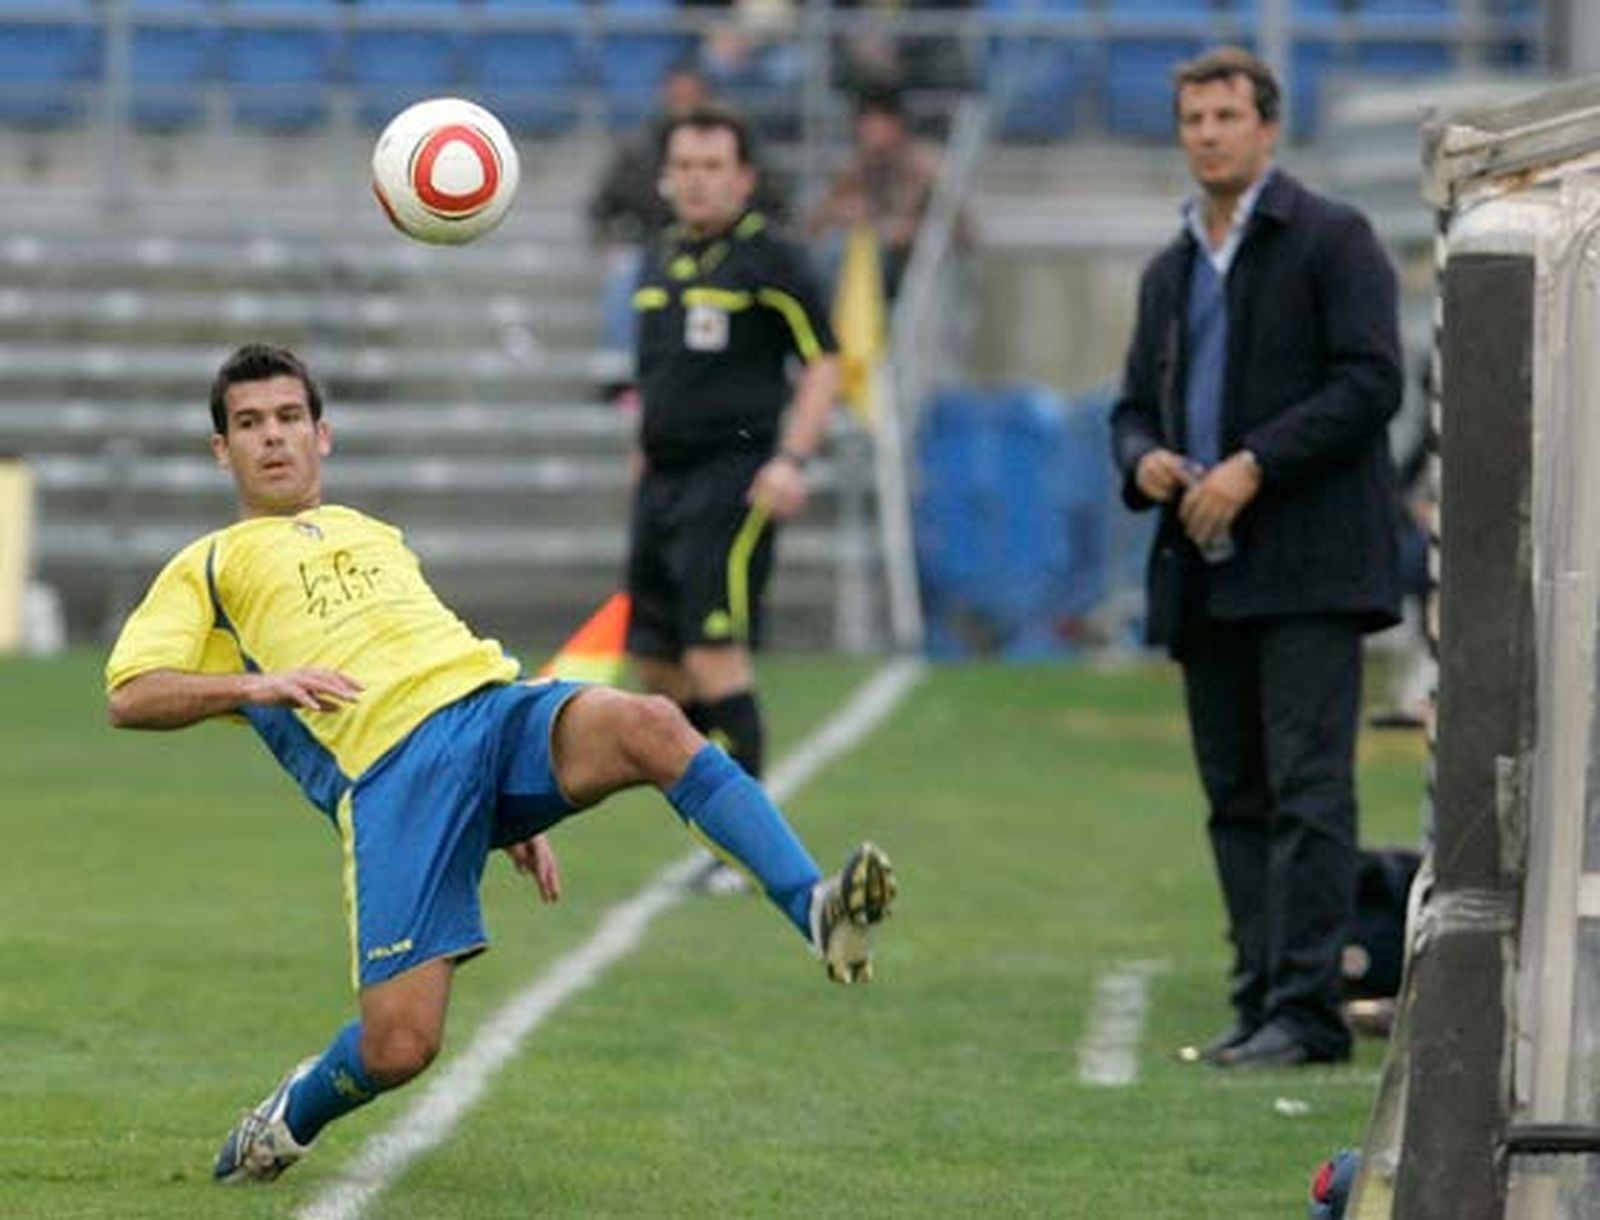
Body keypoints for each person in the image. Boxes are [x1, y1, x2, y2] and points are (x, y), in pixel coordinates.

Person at [104, 343, 894, 1185]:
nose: (273, 437)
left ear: (322, 435)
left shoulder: (374, 533)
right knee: (401, 1045)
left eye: (290, 417)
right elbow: (130, 694)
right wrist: (257, 684)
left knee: (654, 724)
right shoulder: (209, 566)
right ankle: (291, 1115)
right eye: (250, 424)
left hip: (491, 711)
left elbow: (431, 649)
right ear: (221, 449)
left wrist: (507, 807)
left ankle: (814, 908)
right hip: (393, 779)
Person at [1109, 47, 1402, 1068]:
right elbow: (1129, 407)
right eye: (1193, 118)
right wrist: (1142, 458)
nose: (1208, 134)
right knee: (1234, 794)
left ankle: (1310, 1009)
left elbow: (1372, 381)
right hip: (1205, 566)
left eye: (1226, 116)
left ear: (1268, 127)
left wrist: (1253, 464)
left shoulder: (1333, 238)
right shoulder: (1170, 268)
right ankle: (1257, 998)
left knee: (1308, 792)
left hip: (1312, 566)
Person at [626, 105, 840, 889]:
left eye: (712, 166)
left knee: (713, 652)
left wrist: (792, 460)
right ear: (666, 176)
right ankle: (719, 811)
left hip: (734, 477)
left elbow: (825, 363)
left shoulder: (772, 260)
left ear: (744, 177)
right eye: (684, 166)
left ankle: (744, 853)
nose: (696, 180)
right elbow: (657, 377)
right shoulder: (659, 259)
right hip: (661, 481)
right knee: (656, 661)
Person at [804, 85, 963, 303]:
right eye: (868, 126)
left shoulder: (927, 167)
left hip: (908, 272)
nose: (874, 135)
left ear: (898, 125)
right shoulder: (852, 169)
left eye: (880, 125)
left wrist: (911, 232)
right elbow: (810, 228)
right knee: (831, 252)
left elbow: (962, 231)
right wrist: (838, 213)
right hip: (862, 273)